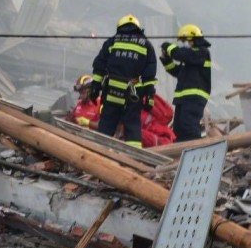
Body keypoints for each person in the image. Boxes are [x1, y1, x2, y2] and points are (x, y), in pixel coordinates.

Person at [89, 14, 157, 148]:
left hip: (111, 93)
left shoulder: (112, 42)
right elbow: (149, 76)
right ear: (138, 28)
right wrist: (149, 97)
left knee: (107, 123)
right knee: (132, 125)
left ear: (120, 27)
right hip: (133, 93)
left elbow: (99, 67)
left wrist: (95, 88)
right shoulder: (147, 46)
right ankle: (133, 158)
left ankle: (99, 154)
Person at [160, 23, 212, 142]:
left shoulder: (201, 52)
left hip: (194, 98)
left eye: (186, 41)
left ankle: (195, 151)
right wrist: (166, 61)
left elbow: (180, 53)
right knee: (179, 129)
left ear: (192, 38)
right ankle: (180, 154)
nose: (186, 44)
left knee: (188, 127)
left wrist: (168, 47)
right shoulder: (191, 58)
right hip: (184, 99)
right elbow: (178, 72)